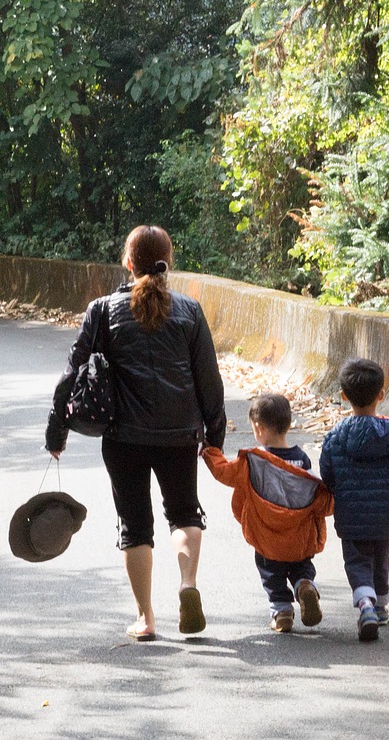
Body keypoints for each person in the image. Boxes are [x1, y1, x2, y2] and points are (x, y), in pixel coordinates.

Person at [46, 224, 226, 642]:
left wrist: (57, 433)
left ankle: (146, 618)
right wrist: (213, 439)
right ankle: (187, 585)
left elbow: (70, 375)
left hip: (123, 436)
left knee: (134, 525)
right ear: (170, 261)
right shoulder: (190, 311)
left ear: (128, 263)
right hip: (180, 433)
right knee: (184, 513)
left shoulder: (103, 310)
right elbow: (209, 382)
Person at [201, 393, 332, 633]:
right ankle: (304, 584)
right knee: (302, 565)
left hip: (266, 536)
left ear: (258, 428)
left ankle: (282, 611)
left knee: (270, 570)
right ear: (289, 425)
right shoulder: (302, 460)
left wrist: (210, 452)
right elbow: (316, 496)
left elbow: (225, 473)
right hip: (300, 537)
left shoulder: (254, 461)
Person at [319, 358, 389, 642]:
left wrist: (334, 495)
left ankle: (365, 604)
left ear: (343, 396)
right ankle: (381, 605)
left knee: (357, 562)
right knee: (381, 557)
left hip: (351, 517)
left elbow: (327, 473)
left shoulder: (335, 437)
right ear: (381, 395)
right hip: (386, 516)